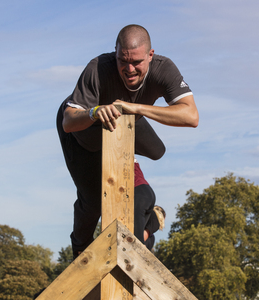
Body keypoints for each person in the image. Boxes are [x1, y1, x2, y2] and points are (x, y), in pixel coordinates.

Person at [57, 24, 199, 258]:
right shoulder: (98, 68)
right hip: (84, 128)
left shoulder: (164, 69)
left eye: (137, 62)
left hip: (124, 116)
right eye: (123, 61)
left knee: (156, 150)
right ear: (115, 53)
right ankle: (80, 252)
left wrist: (135, 108)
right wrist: (94, 112)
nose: (129, 69)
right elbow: (68, 121)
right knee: (93, 200)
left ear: (150, 56)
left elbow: (191, 116)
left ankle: (150, 220)